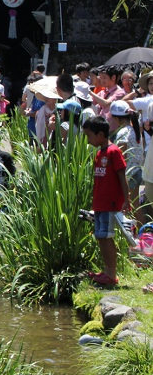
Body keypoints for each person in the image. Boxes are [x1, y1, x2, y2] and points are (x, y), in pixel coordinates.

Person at [83, 116, 129, 287]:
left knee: (107, 237)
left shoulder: (113, 152)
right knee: (101, 236)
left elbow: (121, 176)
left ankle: (112, 274)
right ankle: (106, 271)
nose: (88, 140)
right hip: (100, 203)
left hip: (110, 203)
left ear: (101, 134)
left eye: (89, 136)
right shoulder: (99, 153)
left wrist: (126, 199)